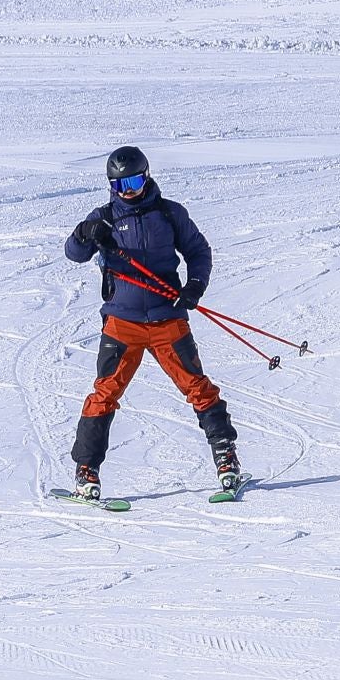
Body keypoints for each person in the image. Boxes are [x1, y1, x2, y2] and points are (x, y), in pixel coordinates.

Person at [63, 145, 240, 498]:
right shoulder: (104, 219)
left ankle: (227, 459)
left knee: (197, 387)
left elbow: (198, 251)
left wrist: (195, 285)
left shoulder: (169, 213)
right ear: (111, 187)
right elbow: (74, 252)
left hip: (166, 318)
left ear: (147, 176)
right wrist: (85, 233)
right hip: (121, 322)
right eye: (120, 185)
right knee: (105, 393)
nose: (129, 191)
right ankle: (87, 471)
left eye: (135, 181)